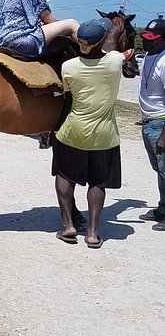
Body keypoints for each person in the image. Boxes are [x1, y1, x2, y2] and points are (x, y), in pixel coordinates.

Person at [51, 18, 132, 248]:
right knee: (98, 182)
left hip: (73, 130)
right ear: (100, 42)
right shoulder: (115, 61)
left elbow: (68, 97)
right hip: (105, 135)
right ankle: (93, 233)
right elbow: (127, 52)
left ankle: (67, 226)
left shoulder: (68, 67)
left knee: (64, 175)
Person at [137, 18, 165, 231]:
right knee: (160, 170)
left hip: (160, 124)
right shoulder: (148, 56)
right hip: (148, 123)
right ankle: (162, 208)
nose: (146, 42)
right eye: (145, 38)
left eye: (151, 40)